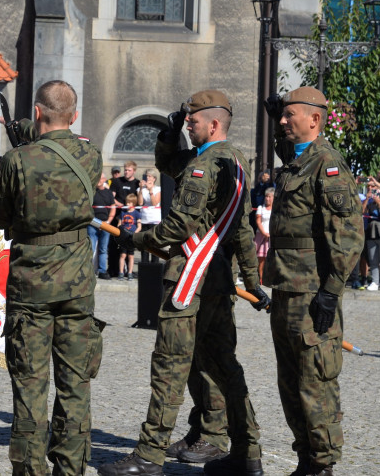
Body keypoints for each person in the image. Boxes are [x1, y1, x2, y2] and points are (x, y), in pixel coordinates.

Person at [98, 90, 268, 476]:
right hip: (220, 278)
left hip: (191, 274)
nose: (187, 125)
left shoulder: (203, 166)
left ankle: (149, 456)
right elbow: (241, 229)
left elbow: (176, 229)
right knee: (223, 365)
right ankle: (247, 452)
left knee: (170, 365)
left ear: (213, 124)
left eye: (191, 122)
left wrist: (135, 238)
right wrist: (252, 281)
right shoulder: (237, 162)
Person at [0, 80, 103, 476]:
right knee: (75, 384)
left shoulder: (18, 160)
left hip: (31, 284)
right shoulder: (91, 155)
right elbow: (58, 138)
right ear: (76, 115)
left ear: (36, 113)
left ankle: (30, 470)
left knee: (30, 387)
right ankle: (71, 469)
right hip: (78, 283)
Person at [264, 87, 364, 476]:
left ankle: (322, 464)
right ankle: (305, 458)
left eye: (291, 115)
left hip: (312, 293)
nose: (285, 120)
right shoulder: (298, 160)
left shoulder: (328, 163)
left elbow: (347, 236)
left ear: (315, 119)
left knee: (315, 380)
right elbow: (287, 152)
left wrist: (331, 291)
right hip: (286, 287)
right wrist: (277, 123)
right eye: (283, 115)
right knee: (290, 381)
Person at [89, 174, 116, 279]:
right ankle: (89, 269)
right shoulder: (92, 192)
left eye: (100, 178)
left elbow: (113, 208)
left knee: (103, 249)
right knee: (91, 247)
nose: (98, 180)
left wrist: (108, 222)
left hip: (105, 224)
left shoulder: (108, 193)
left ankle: (102, 270)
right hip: (92, 223)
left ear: (104, 180)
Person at [117, 193, 141, 280]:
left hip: (131, 237)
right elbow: (119, 224)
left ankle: (130, 272)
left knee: (131, 256)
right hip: (124, 237)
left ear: (133, 203)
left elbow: (139, 226)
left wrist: (134, 234)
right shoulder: (123, 213)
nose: (127, 204)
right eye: (127, 202)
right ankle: (121, 272)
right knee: (122, 255)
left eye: (129, 203)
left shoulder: (137, 213)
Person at [254, 188, 273, 282]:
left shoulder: (275, 209)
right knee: (261, 260)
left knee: (270, 259)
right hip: (261, 236)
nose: (267, 198)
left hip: (271, 237)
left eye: (269, 196)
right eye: (266, 196)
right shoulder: (260, 208)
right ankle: (260, 278)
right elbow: (258, 222)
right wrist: (264, 233)